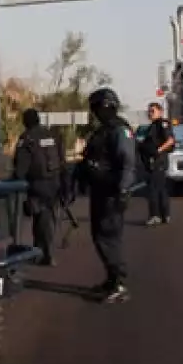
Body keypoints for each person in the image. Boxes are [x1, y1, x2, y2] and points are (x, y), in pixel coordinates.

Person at [78, 87, 136, 301]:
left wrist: (123, 191)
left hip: (112, 193)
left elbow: (127, 163)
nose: (94, 113)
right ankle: (111, 279)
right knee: (100, 236)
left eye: (96, 108)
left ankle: (118, 283)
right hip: (100, 192)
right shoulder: (101, 131)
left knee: (108, 237)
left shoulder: (119, 130)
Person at [13, 108, 68, 266]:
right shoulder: (53, 135)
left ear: (26, 122)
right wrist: (65, 185)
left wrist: (17, 182)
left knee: (41, 219)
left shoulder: (27, 138)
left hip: (37, 185)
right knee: (47, 218)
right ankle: (41, 252)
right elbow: (62, 162)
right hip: (54, 183)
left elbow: (21, 166)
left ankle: (46, 253)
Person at [140, 102, 175, 225]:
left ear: (160, 112)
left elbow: (170, 140)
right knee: (159, 188)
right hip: (152, 162)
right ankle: (164, 215)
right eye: (149, 111)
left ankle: (155, 215)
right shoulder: (152, 126)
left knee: (154, 189)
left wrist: (157, 151)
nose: (150, 113)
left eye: (152, 111)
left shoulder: (162, 124)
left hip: (158, 161)